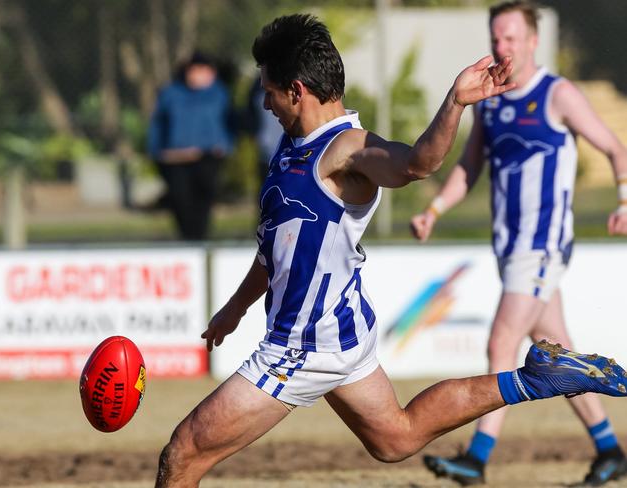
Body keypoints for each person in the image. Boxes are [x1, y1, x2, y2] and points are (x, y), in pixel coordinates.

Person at [154, 14, 627, 488]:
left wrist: (455, 102)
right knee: (395, 438)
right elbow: (274, 249)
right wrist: (234, 311)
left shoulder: (348, 149)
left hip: (304, 344)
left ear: (297, 90)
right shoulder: (291, 145)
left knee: (183, 455)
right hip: (341, 330)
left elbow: (418, 163)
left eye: (270, 90)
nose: (265, 102)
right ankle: (535, 380)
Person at [410, 2, 627, 486]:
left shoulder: (558, 93)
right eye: (495, 38)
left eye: (510, 38)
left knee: (501, 340)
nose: (501, 47)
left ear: (533, 40)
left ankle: (478, 458)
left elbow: (615, 147)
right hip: (510, 248)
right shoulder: (491, 98)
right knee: (560, 352)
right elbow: (468, 168)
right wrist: (434, 210)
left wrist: (623, 198)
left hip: (543, 244)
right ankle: (611, 450)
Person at [147, 51, 234, 241]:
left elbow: (229, 122)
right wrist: (156, 152)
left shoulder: (220, 94)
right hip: (175, 158)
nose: (199, 75)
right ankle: (187, 241)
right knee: (181, 202)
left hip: (208, 157)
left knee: (203, 203)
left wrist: (225, 147)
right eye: (195, 70)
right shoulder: (171, 94)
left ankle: (200, 242)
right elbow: (158, 124)